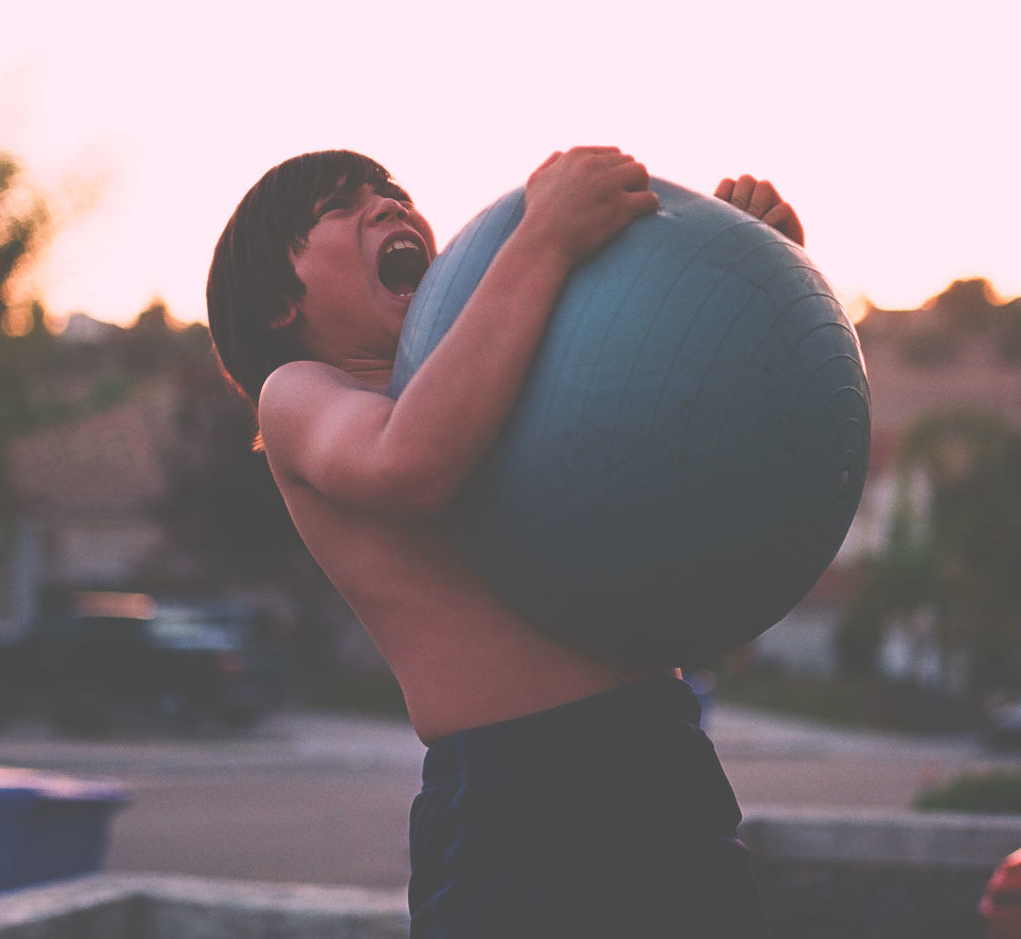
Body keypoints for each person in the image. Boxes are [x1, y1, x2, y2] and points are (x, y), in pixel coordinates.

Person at [206, 148, 803, 937]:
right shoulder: (303, 394)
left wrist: (744, 274)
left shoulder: (511, 374)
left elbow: (675, 431)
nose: (387, 205)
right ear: (281, 301)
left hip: (660, 752)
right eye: (342, 206)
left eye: (392, 191)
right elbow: (407, 458)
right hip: (517, 792)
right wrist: (544, 239)